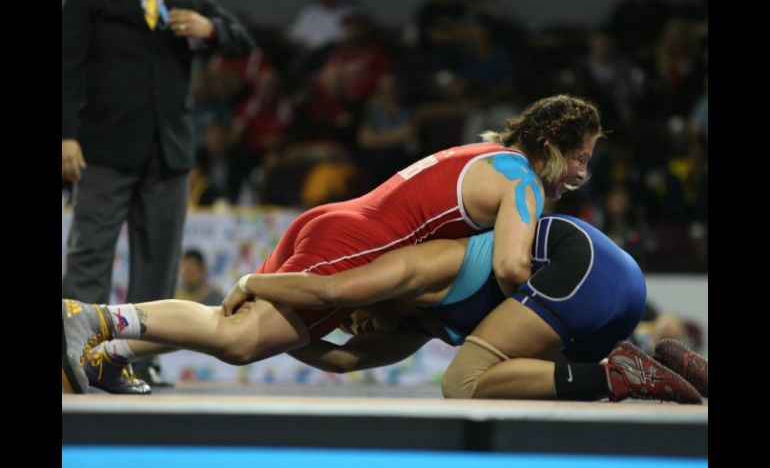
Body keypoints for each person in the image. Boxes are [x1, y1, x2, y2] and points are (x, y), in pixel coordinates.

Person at [66, 94, 602, 393]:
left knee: (227, 324)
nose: (580, 173)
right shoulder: (523, 183)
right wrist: (558, 321)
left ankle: (109, 353)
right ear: (550, 146)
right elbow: (512, 270)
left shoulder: (485, 156)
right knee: (238, 340)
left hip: (336, 221)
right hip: (356, 243)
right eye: (580, 158)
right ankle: (91, 317)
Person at [63, 214, 704, 403]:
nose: (361, 324)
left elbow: (334, 296)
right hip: (605, 289)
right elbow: (342, 358)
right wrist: (267, 336)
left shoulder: (416, 267)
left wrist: (254, 286)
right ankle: (652, 359)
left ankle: (620, 373)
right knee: (521, 368)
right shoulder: (415, 326)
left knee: (464, 383)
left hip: (581, 260)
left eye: (366, 315)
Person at [62, 0, 255, 388]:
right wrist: (66, 135)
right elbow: (67, 66)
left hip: (169, 152)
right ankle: (73, 358)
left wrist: (209, 29)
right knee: (90, 255)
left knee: (159, 264)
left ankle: (139, 362)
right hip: (103, 147)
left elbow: (242, 42)